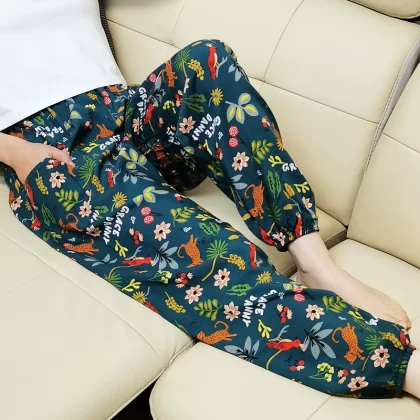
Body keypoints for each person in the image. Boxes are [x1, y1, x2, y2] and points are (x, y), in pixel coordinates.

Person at [1, 0, 418, 400]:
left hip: (120, 109)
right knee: (201, 249)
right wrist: (20, 155)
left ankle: (316, 264)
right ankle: (396, 365)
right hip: (51, 152)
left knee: (207, 60)